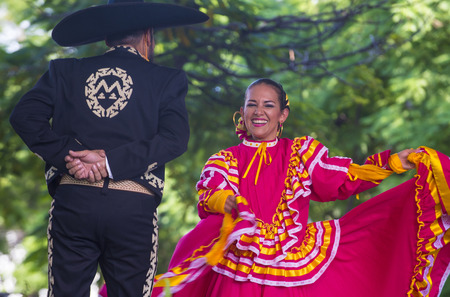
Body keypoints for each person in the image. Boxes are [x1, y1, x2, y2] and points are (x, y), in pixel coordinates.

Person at [149, 78, 450, 297]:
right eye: (251, 104)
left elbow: (343, 179)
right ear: (241, 112)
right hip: (241, 263)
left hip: (294, 265)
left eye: (268, 105)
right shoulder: (226, 158)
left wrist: (392, 163)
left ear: (283, 115)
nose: (258, 111)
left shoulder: (300, 153)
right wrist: (226, 202)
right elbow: (211, 192)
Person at [9, 1, 208, 296]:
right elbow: (174, 139)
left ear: (105, 39)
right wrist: (110, 162)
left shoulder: (64, 71)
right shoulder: (166, 79)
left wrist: (70, 155)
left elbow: (23, 116)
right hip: (132, 207)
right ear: (148, 36)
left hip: (74, 201)